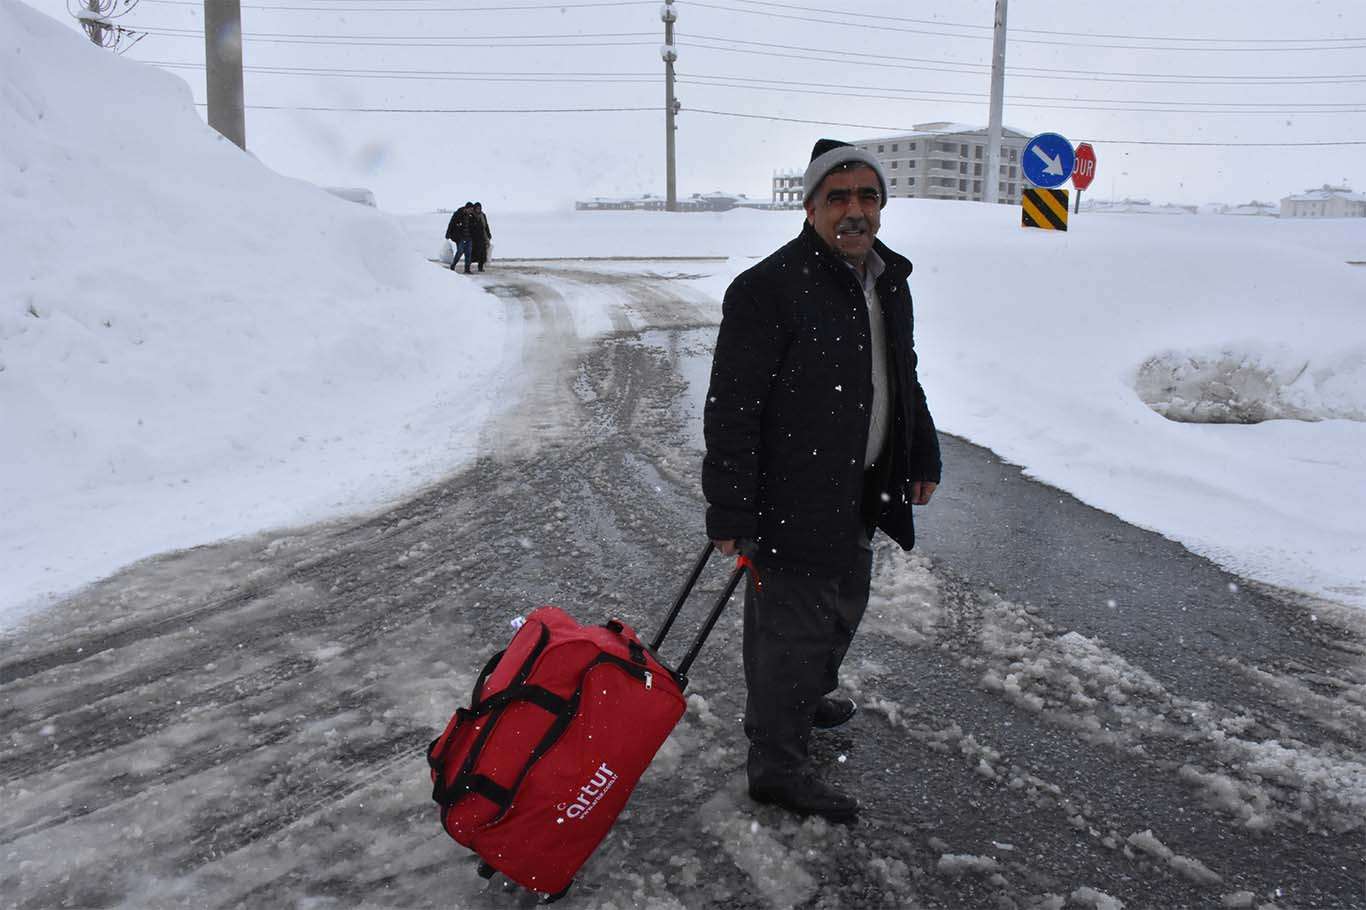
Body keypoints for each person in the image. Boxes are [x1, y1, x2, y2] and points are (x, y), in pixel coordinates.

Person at [702, 138, 941, 825]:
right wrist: (730, 509)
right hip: (793, 498)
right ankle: (776, 763)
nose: (855, 211)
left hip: (862, 487)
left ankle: (802, 700)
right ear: (809, 207)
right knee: (790, 634)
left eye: (868, 197)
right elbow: (733, 408)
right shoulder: (766, 289)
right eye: (838, 198)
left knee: (843, 608)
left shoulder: (888, 279)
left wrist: (920, 455)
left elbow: (904, 375)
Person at [446, 202, 474, 273]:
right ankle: (453, 265)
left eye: (472, 210)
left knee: (468, 253)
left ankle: (467, 269)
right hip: (460, 237)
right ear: (466, 208)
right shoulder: (458, 214)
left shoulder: (471, 216)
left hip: (469, 237)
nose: (471, 211)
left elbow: (473, 226)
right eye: (470, 209)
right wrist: (448, 233)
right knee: (460, 252)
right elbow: (451, 223)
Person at [470, 202, 493, 272]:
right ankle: (467, 267)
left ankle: (480, 267)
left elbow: (486, 225)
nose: (478, 209)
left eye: (479, 208)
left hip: (482, 236)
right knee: (473, 252)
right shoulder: (471, 216)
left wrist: (488, 234)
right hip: (474, 237)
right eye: (477, 208)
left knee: (483, 253)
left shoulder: (483, 215)